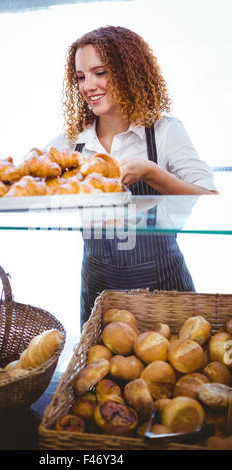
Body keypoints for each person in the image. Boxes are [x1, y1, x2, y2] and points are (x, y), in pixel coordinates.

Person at [45, 26, 218, 330]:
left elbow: (208, 197)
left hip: (164, 282)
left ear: (129, 71)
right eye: (81, 77)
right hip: (100, 286)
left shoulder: (163, 132)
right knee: (100, 372)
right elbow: (22, 181)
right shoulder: (71, 143)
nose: (89, 86)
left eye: (100, 72)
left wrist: (152, 174)